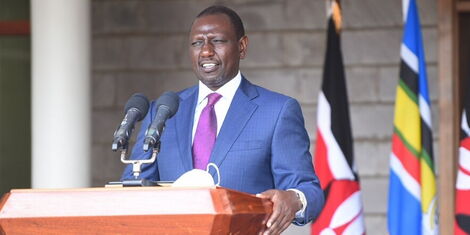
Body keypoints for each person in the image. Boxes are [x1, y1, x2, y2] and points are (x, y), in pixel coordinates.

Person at [122, 5, 324, 234]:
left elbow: (310, 190)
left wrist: (293, 199)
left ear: (242, 46)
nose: (206, 51)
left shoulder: (277, 111)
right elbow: (134, 190)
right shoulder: (163, 111)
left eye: (217, 41)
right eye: (197, 43)